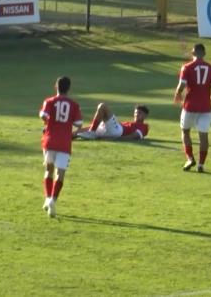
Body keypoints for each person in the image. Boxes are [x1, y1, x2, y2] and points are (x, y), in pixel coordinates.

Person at [38, 76, 83, 218]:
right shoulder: (74, 105)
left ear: (56, 86)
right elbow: (79, 123)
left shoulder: (49, 101)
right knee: (60, 173)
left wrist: (47, 121)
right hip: (64, 143)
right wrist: (70, 129)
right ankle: (53, 200)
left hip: (50, 141)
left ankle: (47, 198)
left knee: (48, 170)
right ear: (69, 88)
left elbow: (43, 115)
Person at [173, 43, 211, 173]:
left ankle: (189, 158)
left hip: (190, 106)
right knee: (203, 136)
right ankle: (201, 164)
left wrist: (177, 94)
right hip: (206, 108)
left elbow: (182, 85)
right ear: (204, 53)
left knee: (185, 131)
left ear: (192, 53)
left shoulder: (187, 67)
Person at [75, 103, 150, 141]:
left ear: (145, 116)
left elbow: (133, 136)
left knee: (102, 106)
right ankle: (72, 135)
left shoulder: (144, 127)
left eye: (140, 113)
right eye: (136, 112)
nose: (137, 114)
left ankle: (92, 131)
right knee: (79, 132)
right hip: (109, 131)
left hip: (117, 132)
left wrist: (114, 139)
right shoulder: (128, 123)